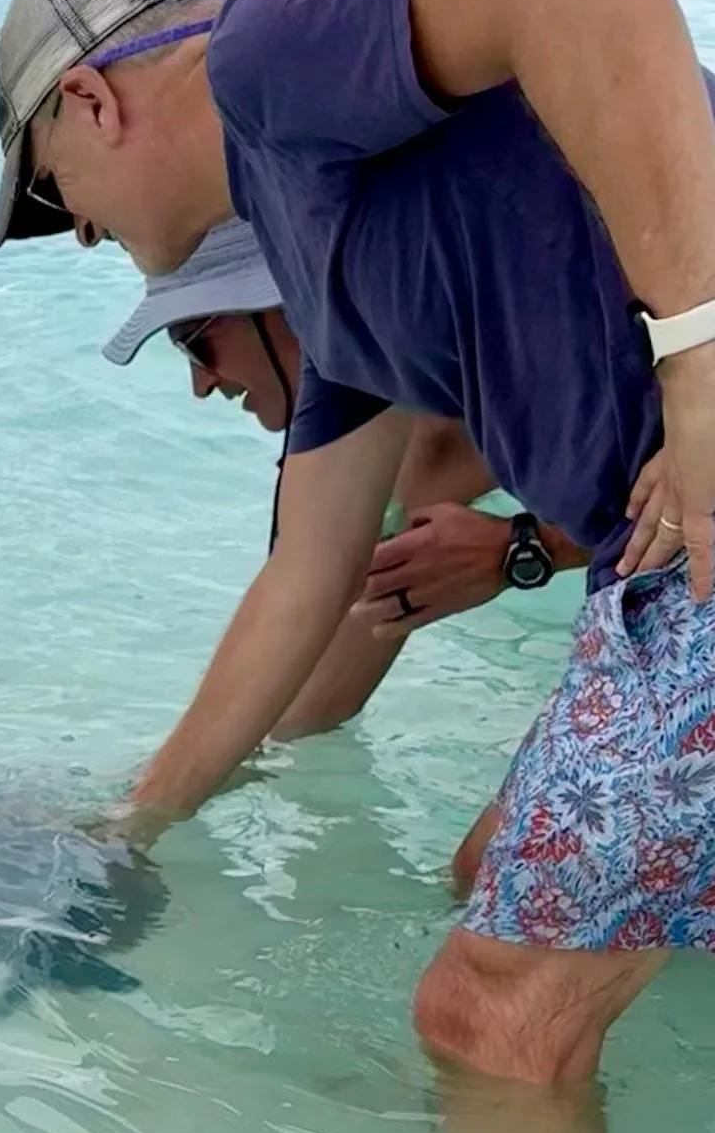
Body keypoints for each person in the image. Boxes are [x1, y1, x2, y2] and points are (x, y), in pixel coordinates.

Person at [0, 0, 715, 1133]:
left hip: (690, 540)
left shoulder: (265, 48)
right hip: (657, 572)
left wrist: (700, 366)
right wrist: (135, 824)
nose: (87, 230)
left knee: (492, 1015)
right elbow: (309, 575)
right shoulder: (328, 282)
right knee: (491, 877)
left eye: (57, 191)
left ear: (94, 101)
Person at [102, 216, 587, 741]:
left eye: (194, 343)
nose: (200, 384)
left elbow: (304, 713)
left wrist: (523, 550)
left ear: (285, 304)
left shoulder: (514, 350)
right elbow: (300, 714)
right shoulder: (405, 443)